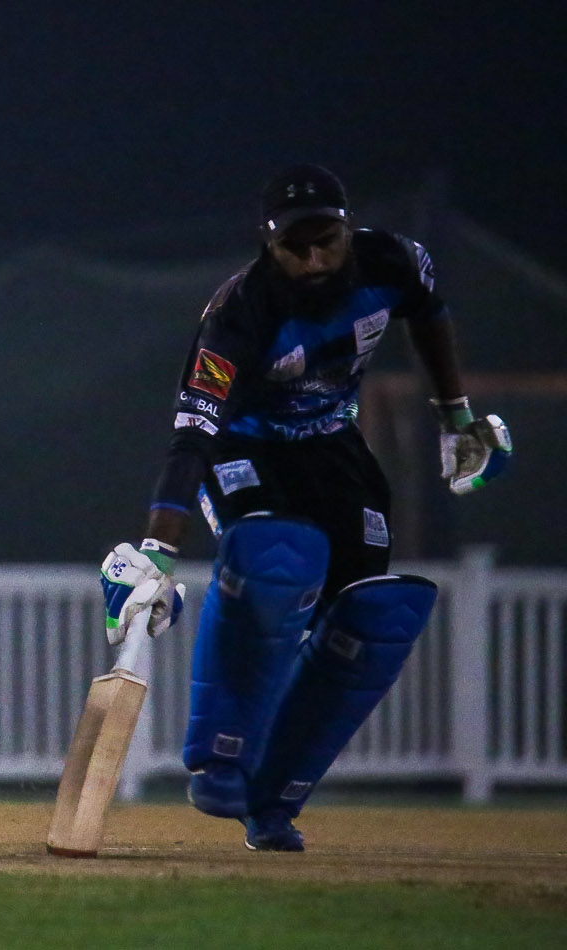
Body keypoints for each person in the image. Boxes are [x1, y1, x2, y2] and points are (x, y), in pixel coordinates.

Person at [99, 165, 511, 851]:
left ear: (349, 228)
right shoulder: (238, 314)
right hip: (244, 449)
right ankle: (220, 760)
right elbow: (193, 435)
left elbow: (429, 314)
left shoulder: (395, 261)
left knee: (373, 620)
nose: (315, 260)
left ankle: (274, 800)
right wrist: (157, 552)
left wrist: (455, 415)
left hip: (332, 445)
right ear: (270, 246)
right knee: (273, 562)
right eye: (296, 247)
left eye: (327, 241)